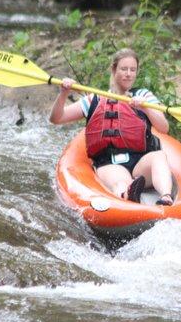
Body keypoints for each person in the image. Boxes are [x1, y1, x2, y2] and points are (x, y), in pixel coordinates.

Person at [49, 48, 174, 206]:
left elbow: (164, 128)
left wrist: (147, 109)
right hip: (110, 163)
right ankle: (128, 194)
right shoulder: (94, 99)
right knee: (121, 181)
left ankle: (166, 197)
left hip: (140, 162)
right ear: (114, 69)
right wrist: (63, 93)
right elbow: (57, 118)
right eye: (124, 69)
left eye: (132, 70)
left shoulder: (144, 96)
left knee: (159, 156)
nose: (128, 74)